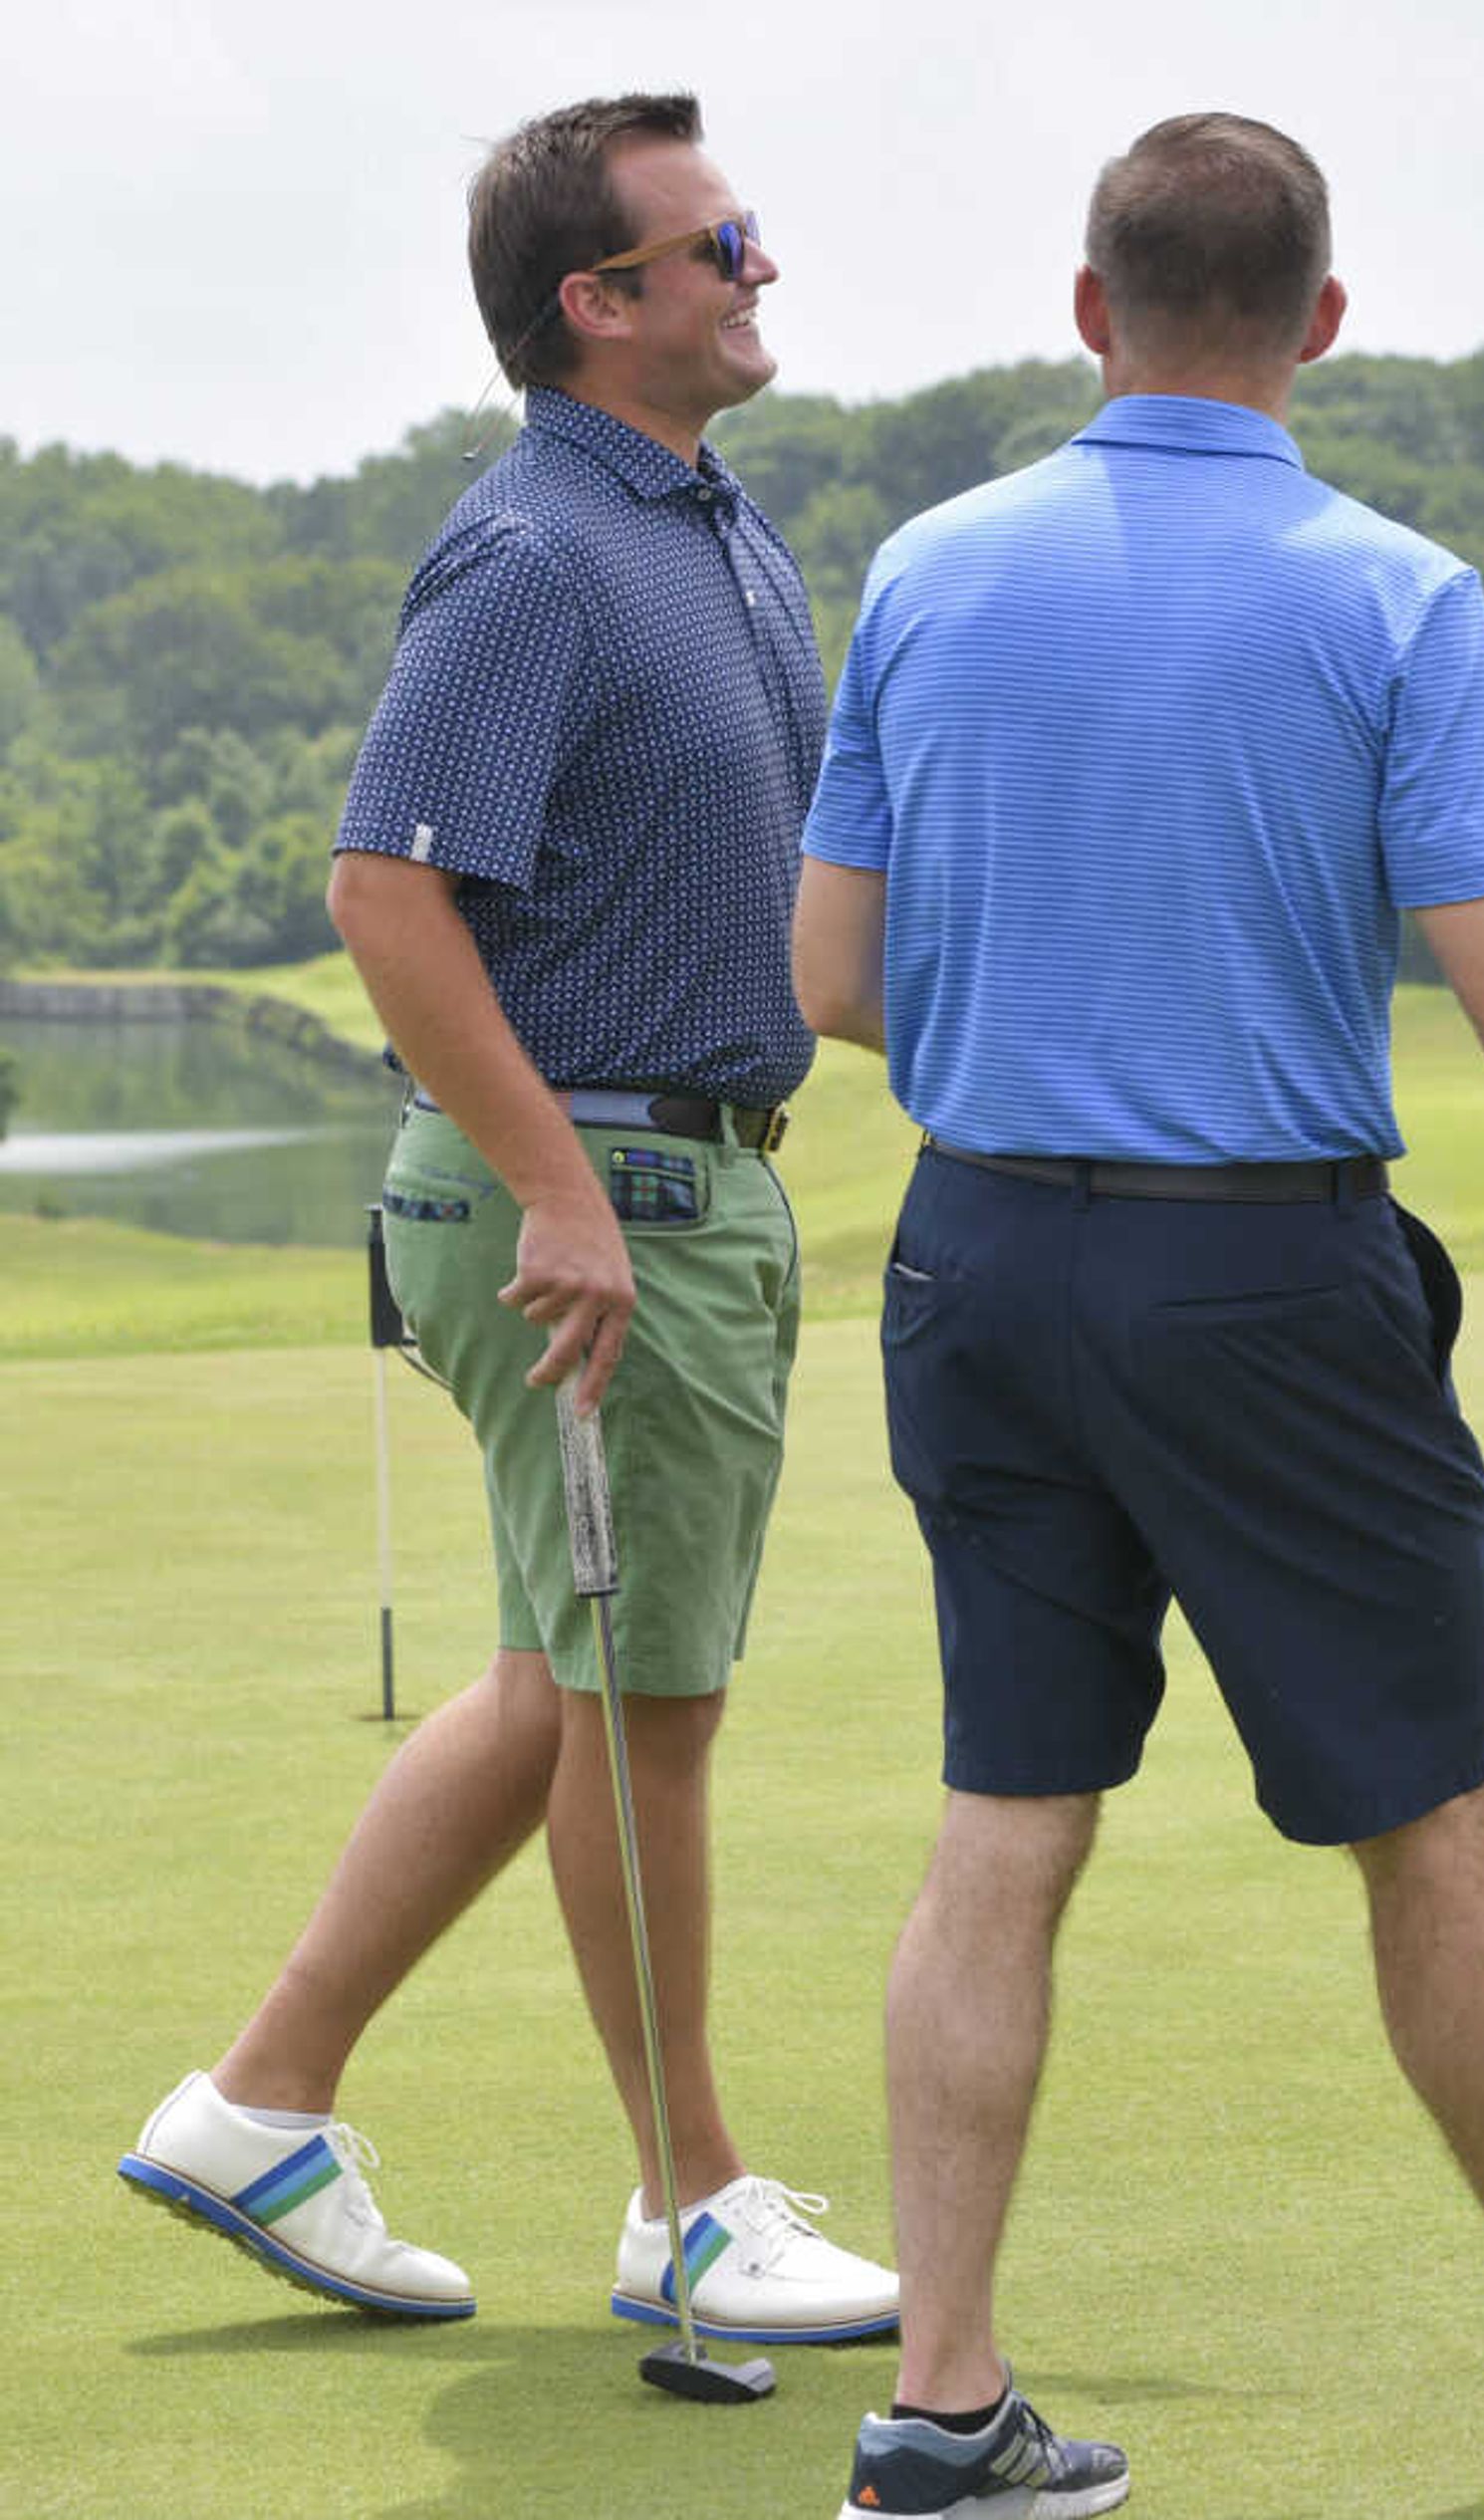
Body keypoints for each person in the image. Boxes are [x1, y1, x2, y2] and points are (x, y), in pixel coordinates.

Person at [792, 113, 1484, 2511]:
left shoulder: (928, 570)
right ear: (1322, 320)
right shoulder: (1393, 594)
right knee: (1430, 1826)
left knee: (1002, 1821)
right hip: (1263, 1280)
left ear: (1086, 307)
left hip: (979, 1257)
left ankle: (942, 2405)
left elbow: (829, 977)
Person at [116, 93, 898, 2347]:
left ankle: (258, 2102)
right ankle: (693, 2201)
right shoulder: (536, 548)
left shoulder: (718, 531)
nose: (763, 269)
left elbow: (816, 901)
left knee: (559, 1687)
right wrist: (564, 1187)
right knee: (647, 1705)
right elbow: (387, 889)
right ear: (604, 300)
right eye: (723, 240)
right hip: (599, 1191)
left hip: (674, 1173)